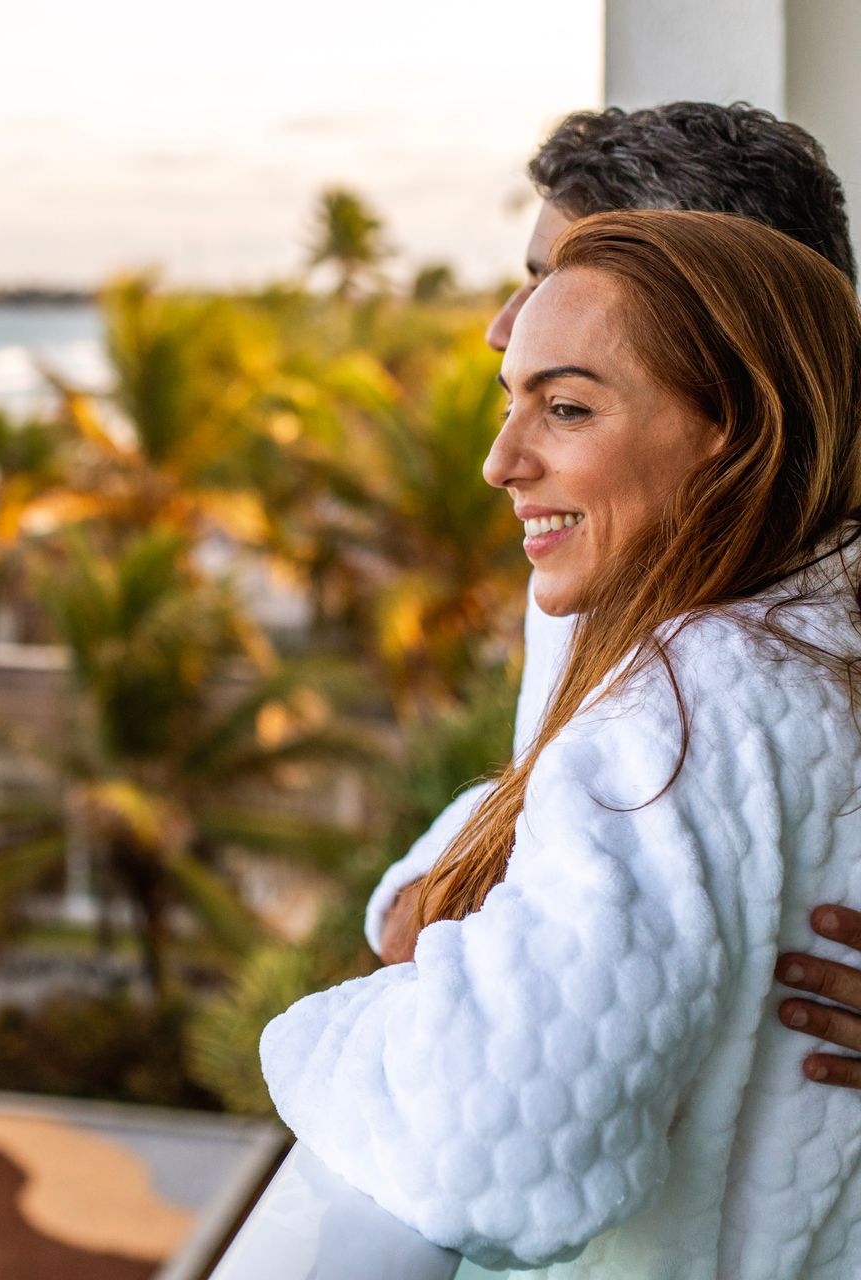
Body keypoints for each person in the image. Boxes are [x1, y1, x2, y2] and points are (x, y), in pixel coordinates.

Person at [264, 209, 861, 1274]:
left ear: (737, 422)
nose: (501, 462)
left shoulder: (679, 708)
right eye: (510, 407)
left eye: (568, 407)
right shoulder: (822, 642)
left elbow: (486, 1148)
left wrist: (312, 1033)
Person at [369, 102, 861, 1091]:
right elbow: (513, 818)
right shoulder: (606, 543)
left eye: (561, 281)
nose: (503, 327)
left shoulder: (742, 656)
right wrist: (427, 902)